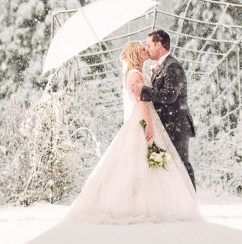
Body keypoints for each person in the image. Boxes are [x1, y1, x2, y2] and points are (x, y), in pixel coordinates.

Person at [62, 41, 202, 224]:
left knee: (154, 163)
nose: (147, 51)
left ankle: (161, 203)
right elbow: (141, 103)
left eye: (147, 47)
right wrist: (149, 124)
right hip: (144, 120)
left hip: (151, 119)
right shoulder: (135, 74)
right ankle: (141, 205)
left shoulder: (140, 72)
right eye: (143, 49)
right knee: (142, 163)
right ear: (137, 54)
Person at [131, 30, 197, 190]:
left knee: (181, 165)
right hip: (167, 124)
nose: (147, 49)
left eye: (149, 45)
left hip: (176, 125)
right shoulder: (162, 66)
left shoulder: (172, 66)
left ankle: (191, 202)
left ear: (158, 45)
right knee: (172, 168)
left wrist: (144, 91)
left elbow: (170, 96)